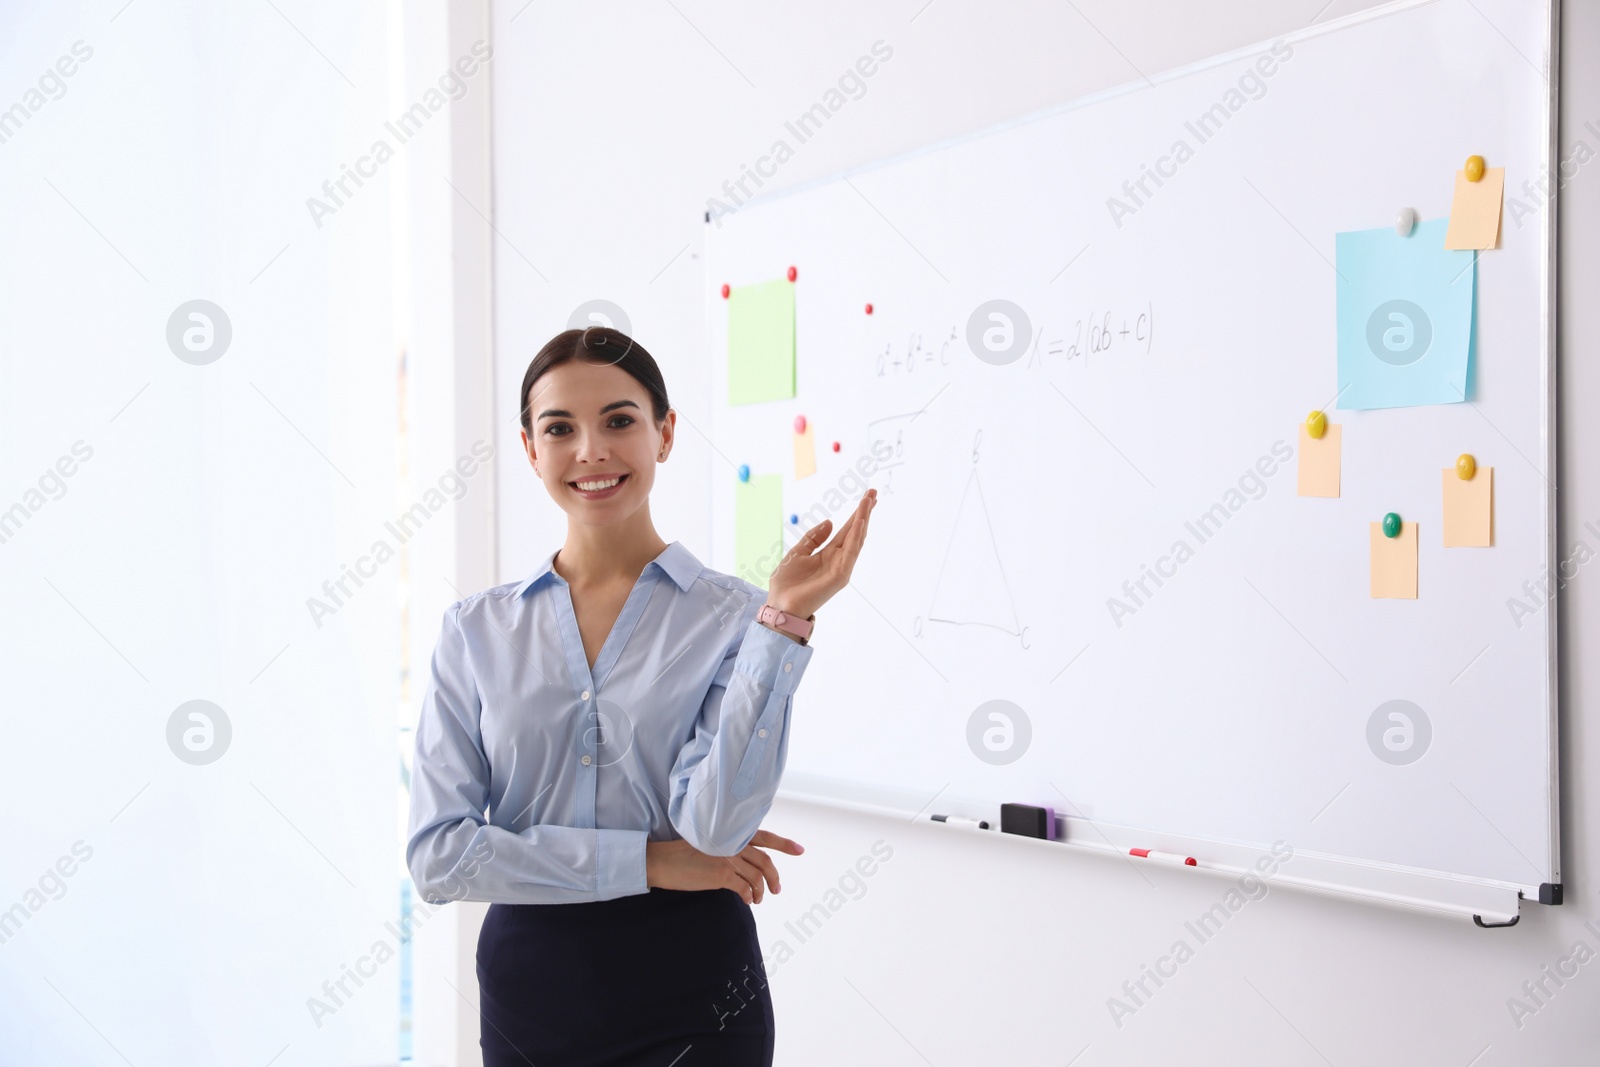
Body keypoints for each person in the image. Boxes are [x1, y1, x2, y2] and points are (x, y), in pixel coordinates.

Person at [405, 326, 877, 1066]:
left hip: (697, 986)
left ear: (665, 433)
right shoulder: (476, 630)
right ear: (531, 448)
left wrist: (784, 623)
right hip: (535, 992)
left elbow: (715, 828)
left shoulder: (737, 617)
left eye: (619, 420)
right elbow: (440, 858)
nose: (591, 449)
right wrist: (653, 862)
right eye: (560, 428)